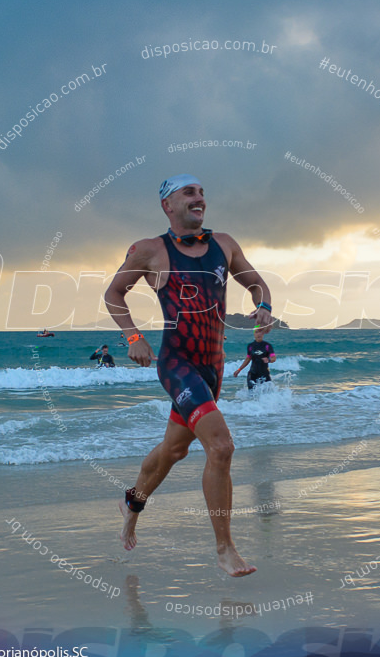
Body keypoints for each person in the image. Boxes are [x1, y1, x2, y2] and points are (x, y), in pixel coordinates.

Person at [103, 174, 273, 577]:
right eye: (189, 193)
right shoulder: (149, 251)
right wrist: (133, 337)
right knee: (221, 447)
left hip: (211, 365)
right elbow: (114, 294)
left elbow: (255, 283)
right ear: (168, 205)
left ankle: (132, 502)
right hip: (177, 363)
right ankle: (225, 549)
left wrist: (263, 305)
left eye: (201, 192)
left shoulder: (225, 245)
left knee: (174, 451)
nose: (200, 199)